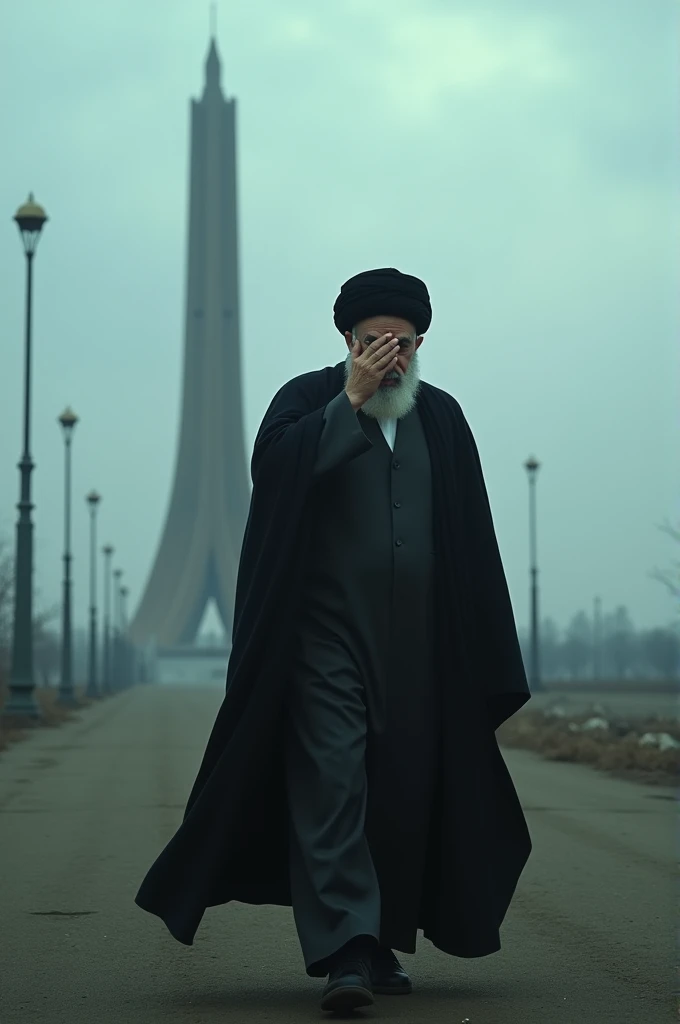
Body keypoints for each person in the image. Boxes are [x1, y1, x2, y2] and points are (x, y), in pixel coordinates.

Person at [135, 268, 532, 1014]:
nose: (390, 357)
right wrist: (346, 402)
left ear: (421, 343)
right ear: (347, 340)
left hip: (419, 649)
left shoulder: (441, 419)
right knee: (333, 780)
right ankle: (345, 952)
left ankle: (378, 942)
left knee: (401, 793)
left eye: (403, 344)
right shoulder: (304, 401)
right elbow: (275, 475)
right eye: (373, 343)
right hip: (322, 639)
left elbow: (471, 537)